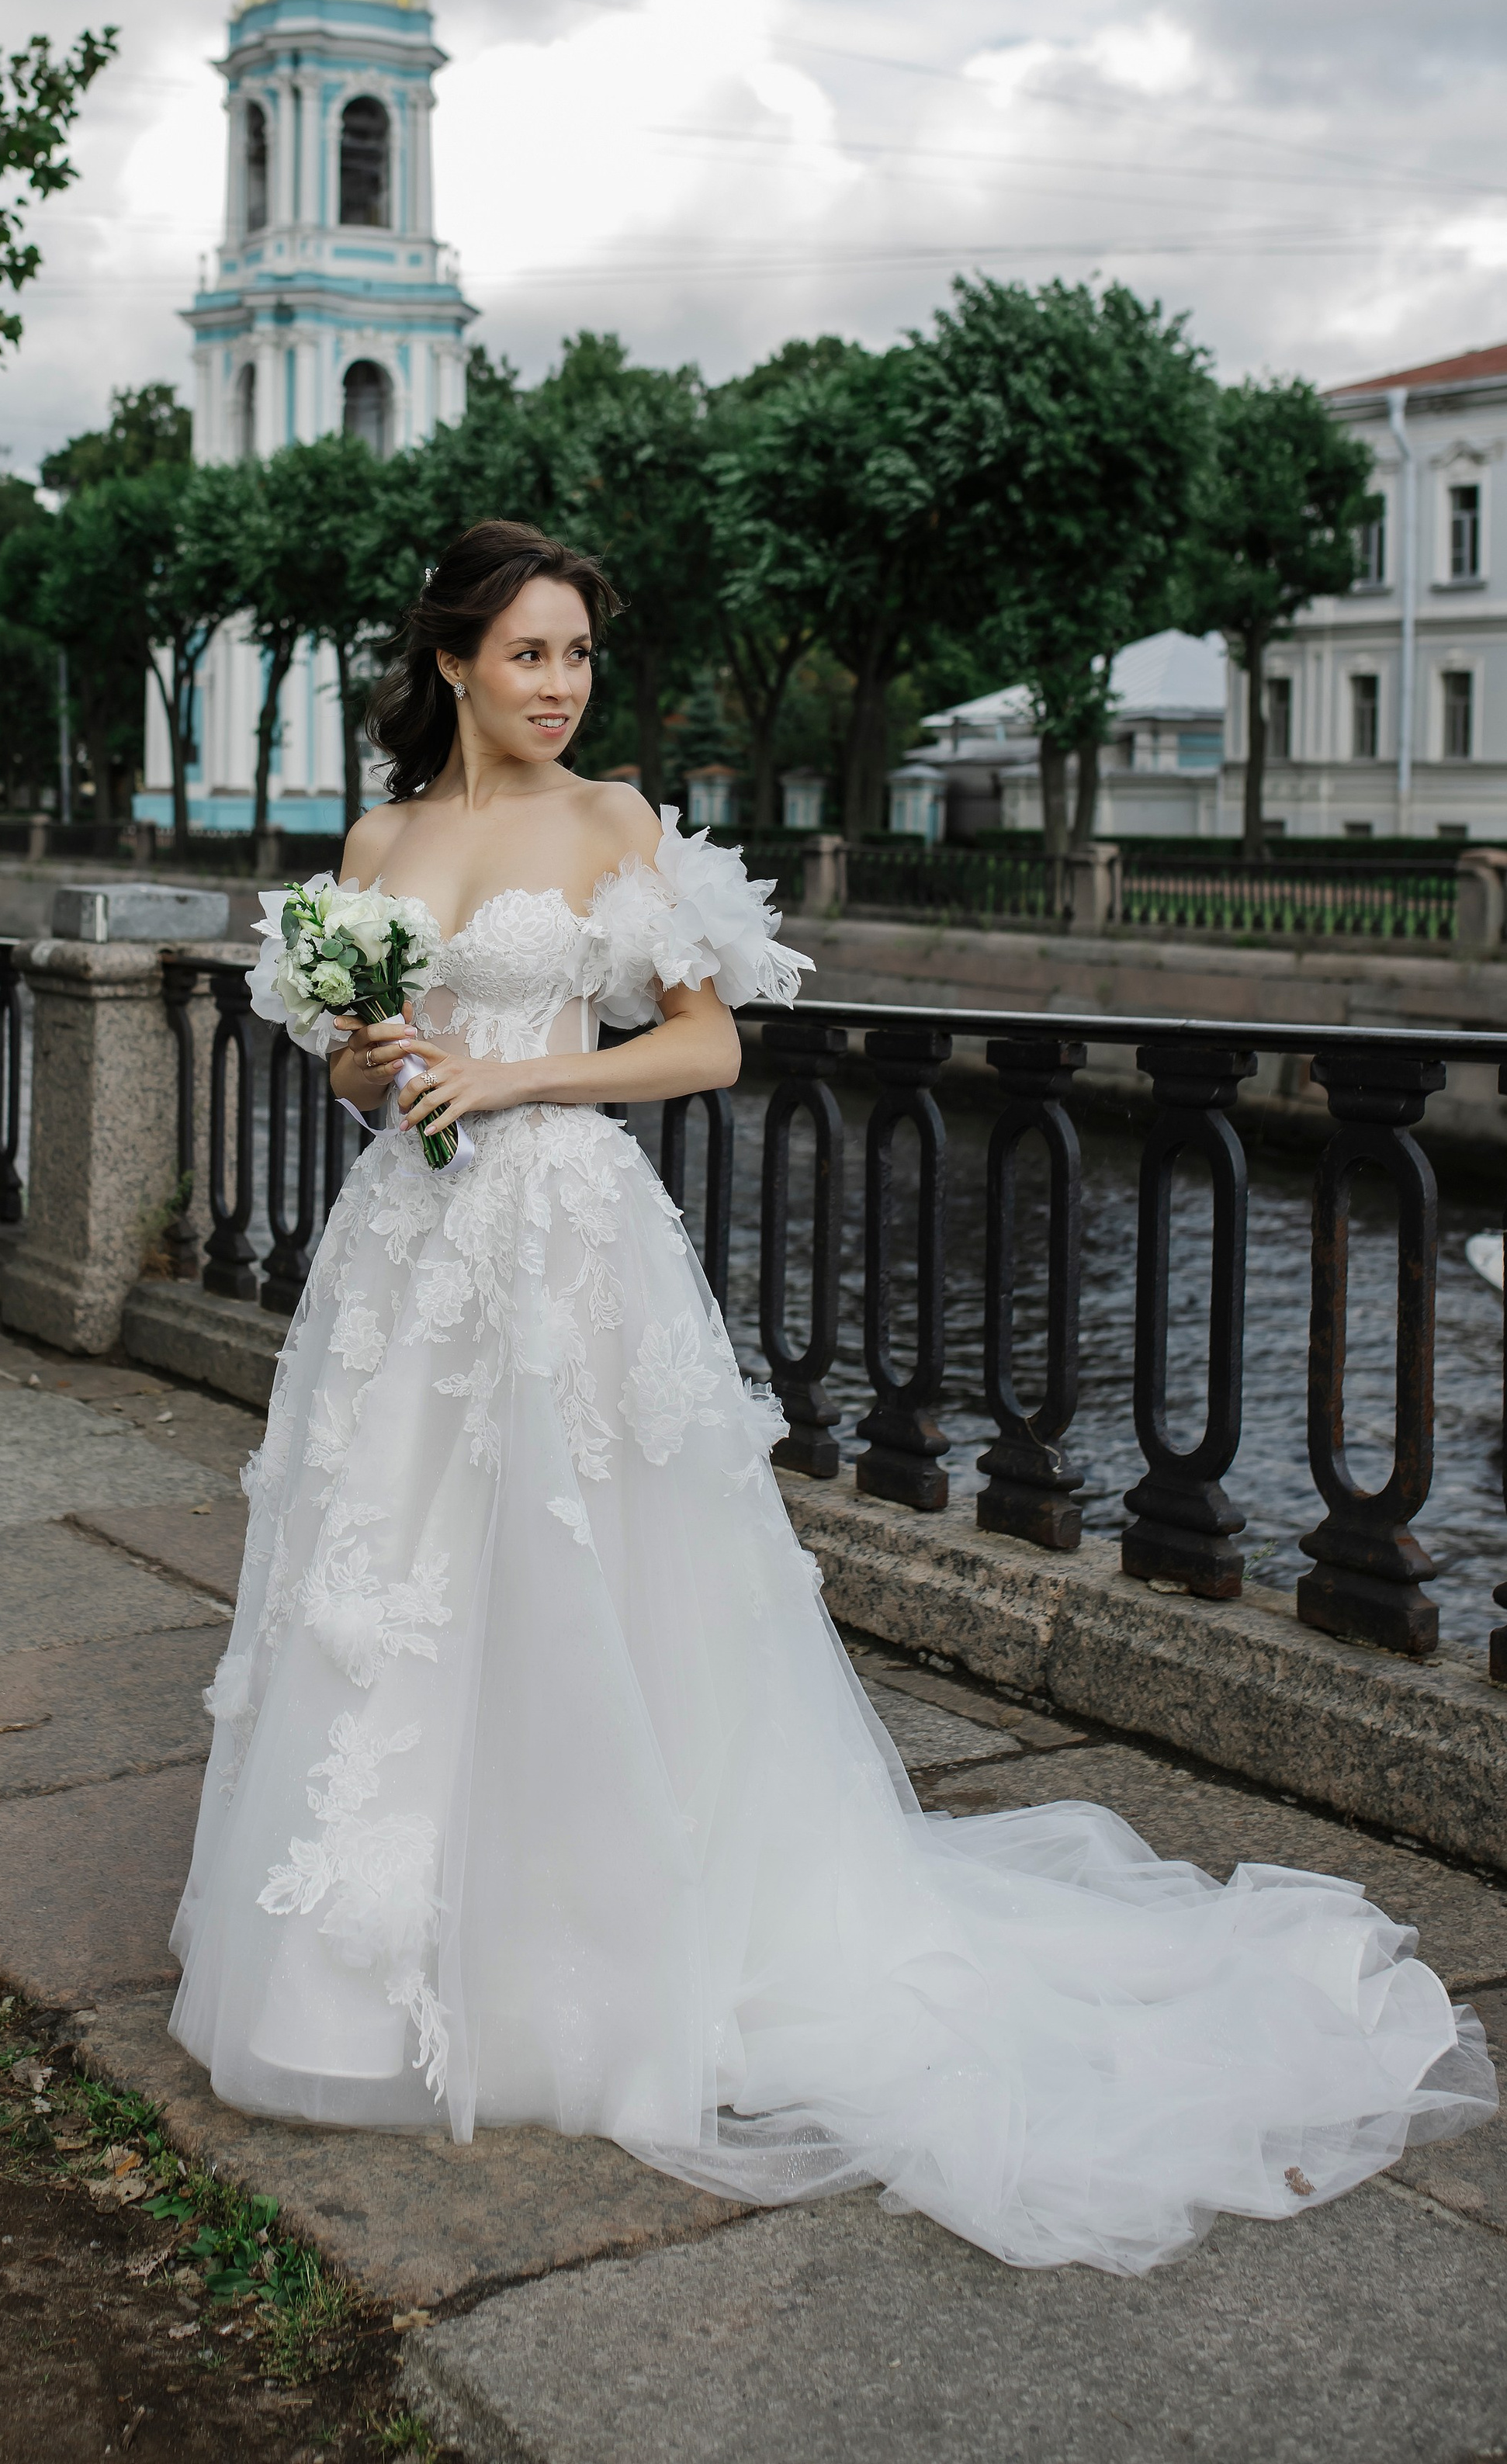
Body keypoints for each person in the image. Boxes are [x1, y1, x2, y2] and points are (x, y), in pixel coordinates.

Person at [170, 518, 1493, 2274]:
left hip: (564, 1235)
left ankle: (607, 1948)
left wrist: (509, 1075)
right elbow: (361, 1068)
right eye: (528, 655)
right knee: (389, 1579)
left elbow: (706, 1044)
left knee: (597, 1582)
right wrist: (368, 1055)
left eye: (577, 656)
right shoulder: (379, 837)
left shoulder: (616, 823)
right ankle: (381, 1965)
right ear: (450, 662)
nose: (559, 687)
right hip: (405, 1260)